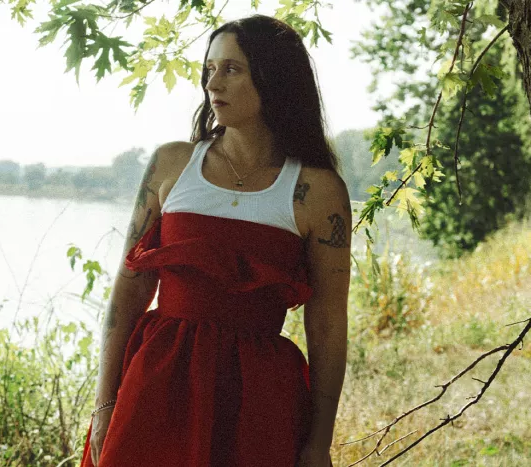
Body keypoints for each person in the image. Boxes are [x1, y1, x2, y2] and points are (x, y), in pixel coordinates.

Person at [80, 14, 352, 467]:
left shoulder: (318, 191)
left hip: (258, 401)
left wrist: (318, 442)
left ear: (273, 77)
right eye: (209, 70)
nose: (213, 84)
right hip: (155, 386)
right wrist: (105, 402)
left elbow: (326, 324)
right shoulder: (172, 165)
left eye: (231, 69)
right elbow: (127, 293)